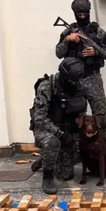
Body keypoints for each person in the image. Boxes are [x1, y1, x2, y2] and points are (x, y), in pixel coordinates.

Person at [55, 0, 106, 134]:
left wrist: (96, 52)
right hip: (73, 81)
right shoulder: (68, 32)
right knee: (75, 113)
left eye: (85, 14)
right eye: (79, 15)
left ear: (89, 12)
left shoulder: (98, 32)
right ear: (75, 14)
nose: (82, 17)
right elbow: (58, 53)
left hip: (93, 78)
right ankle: (76, 147)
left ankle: (101, 144)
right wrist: (67, 40)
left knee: (99, 112)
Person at [30, 57, 88, 194]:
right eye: (71, 80)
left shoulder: (80, 84)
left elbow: (82, 111)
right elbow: (40, 119)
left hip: (69, 129)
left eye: (76, 80)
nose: (74, 83)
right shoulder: (47, 86)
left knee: (66, 174)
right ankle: (47, 177)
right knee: (52, 143)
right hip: (47, 129)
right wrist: (60, 133)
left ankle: (48, 159)